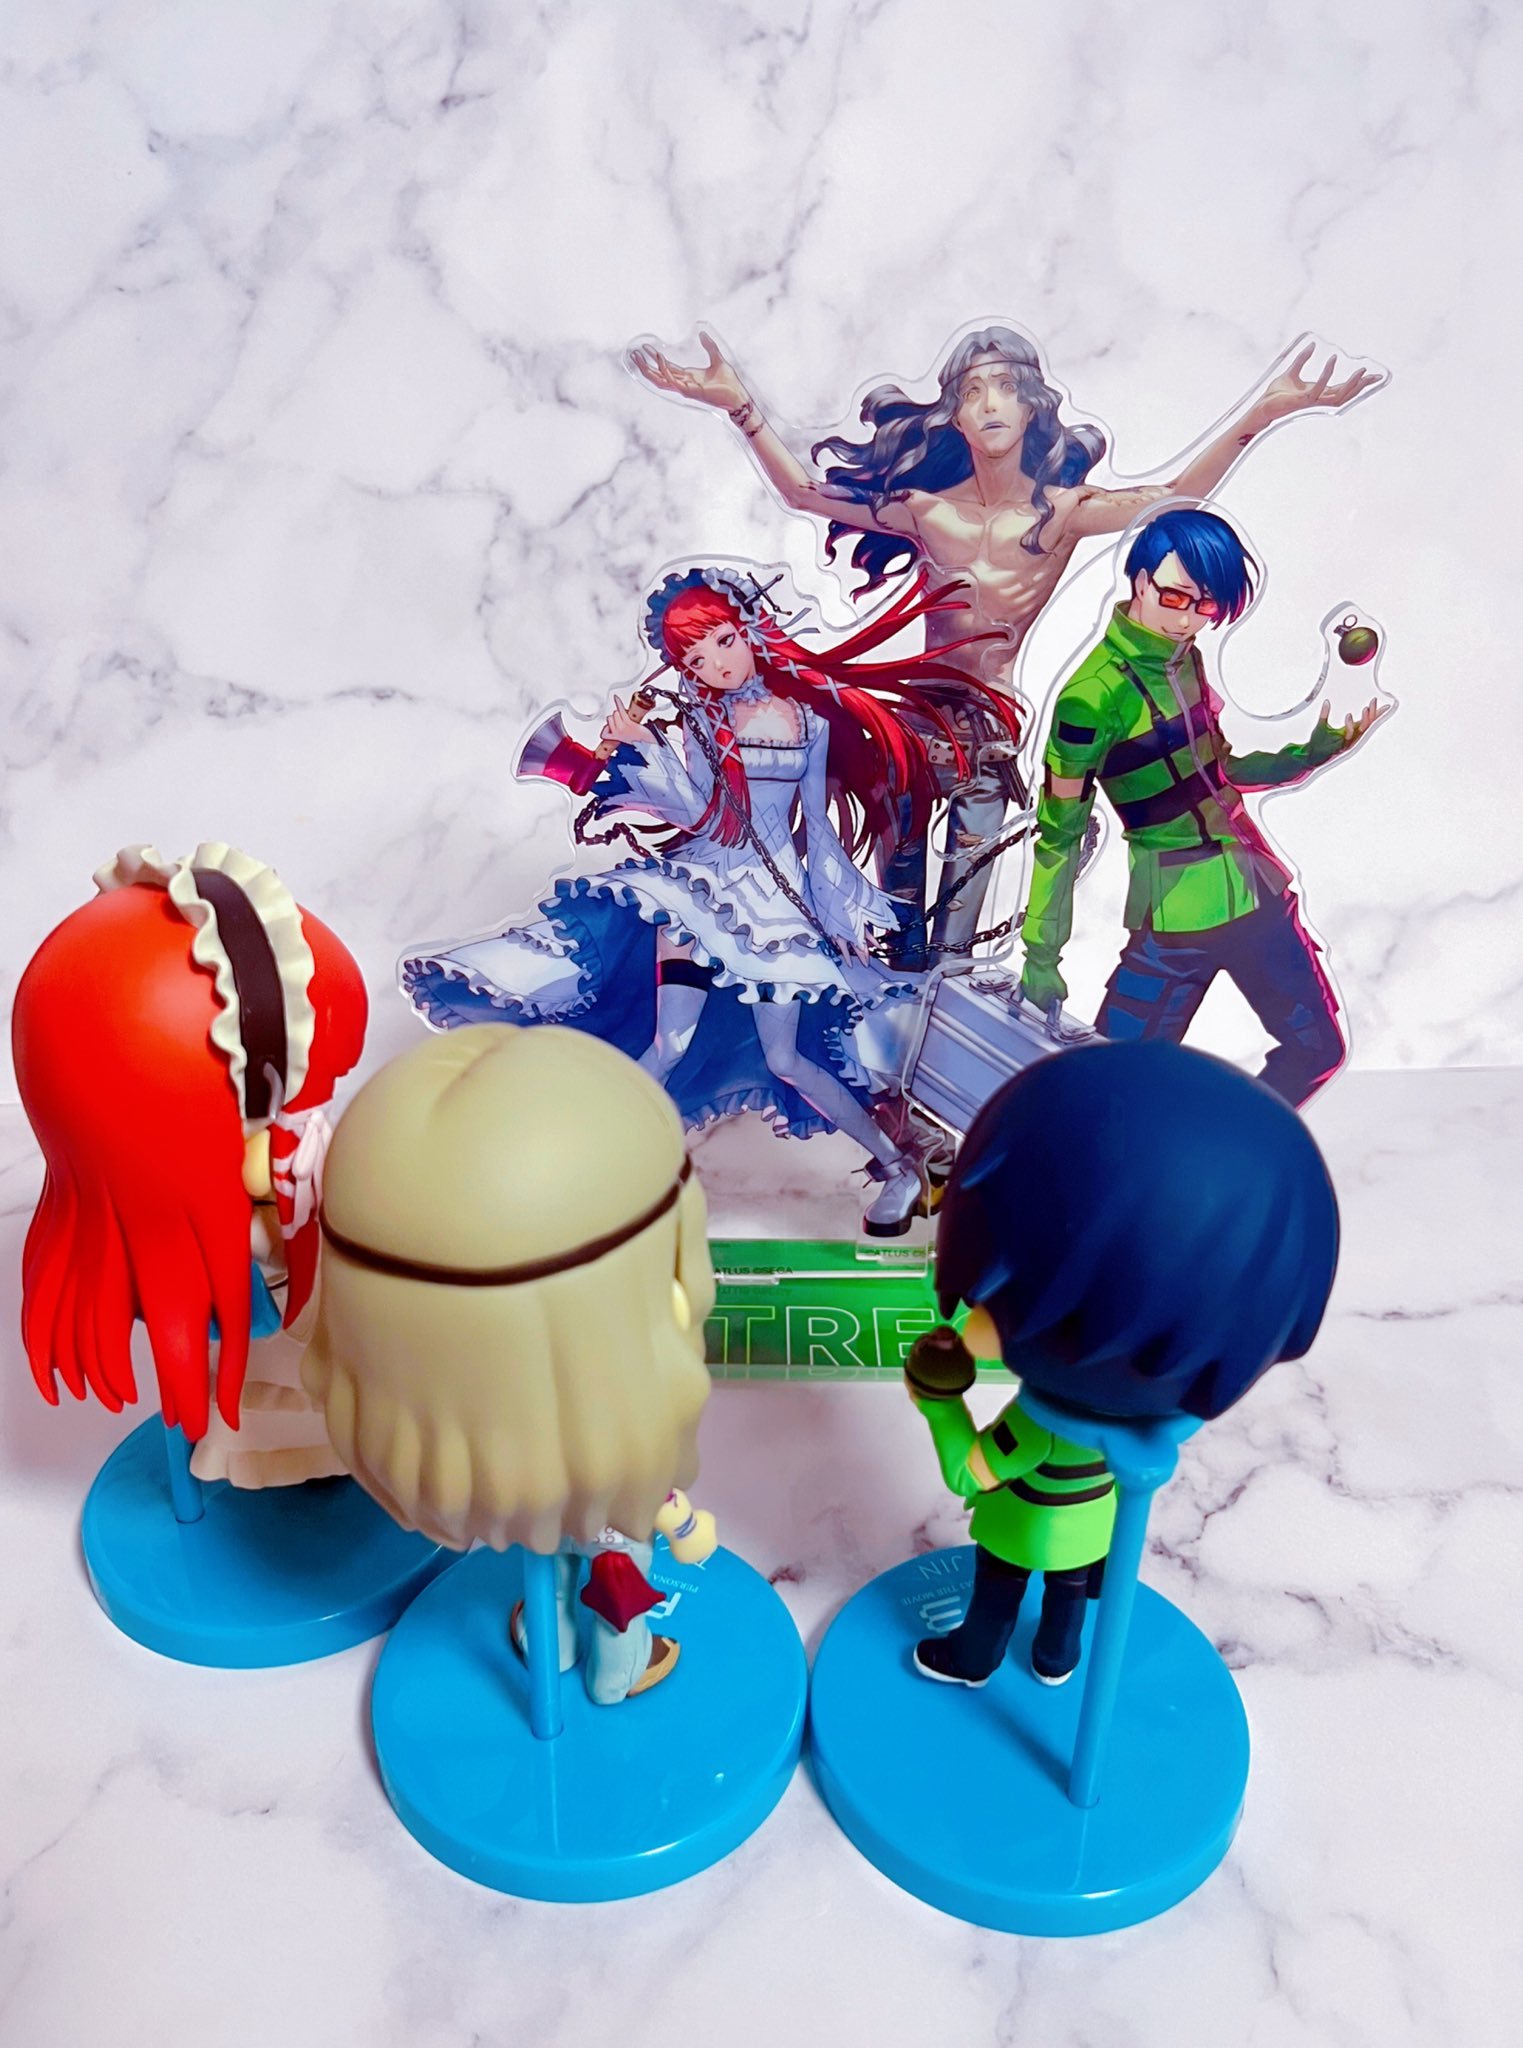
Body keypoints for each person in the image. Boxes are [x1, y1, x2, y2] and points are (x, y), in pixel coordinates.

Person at [632, 326, 1382, 962]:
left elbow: (1174, 496)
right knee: (896, 920)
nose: (989, 403)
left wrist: (1268, 409)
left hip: (987, 734)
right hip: (910, 725)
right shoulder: (924, 510)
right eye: (971, 392)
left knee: (958, 930)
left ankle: (946, 1000)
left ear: (1032, 408)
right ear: (954, 416)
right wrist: (739, 406)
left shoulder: (1062, 514)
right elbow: (801, 493)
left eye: (1005, 388)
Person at [402, 565, 1018, 1234]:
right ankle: (582, 1160)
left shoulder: (808, 723)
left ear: (749, 630)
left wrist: (838, 910)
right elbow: (703, 816)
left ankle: (897, 1167)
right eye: (695, 659)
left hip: (778, 911)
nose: (716, 665)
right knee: (669, 1042)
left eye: (721, 642)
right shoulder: (701, 721)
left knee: (787, 1059)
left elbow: (816, 829)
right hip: (700, 894)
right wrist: (644, 749)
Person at [302, 1024, 719, 1705]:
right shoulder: (630, 1433)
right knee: (615, 1582)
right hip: (613, 1511)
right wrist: (682, 1519)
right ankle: (615, 1669)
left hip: (537, 1496)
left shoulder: (461, 1441)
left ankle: (550, 1641)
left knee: (552, 1564)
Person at [905, 1038, 1340, 1688]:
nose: (972, 1309)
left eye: (993, 1297)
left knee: (998, 1591)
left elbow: (968, 1476)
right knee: (1067, 1598)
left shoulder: (1036, 1426)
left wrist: (940, 1404)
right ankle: (1056, 1661)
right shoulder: (1157, 1418)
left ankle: (974, 1659)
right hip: (1096, 1535)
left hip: (1026, 1532)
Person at [1017, 508, 1388, 1107]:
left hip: (1258, 895)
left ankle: (1226, 1151)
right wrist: (1041, 952)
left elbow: (1219, 771)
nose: (1188, 619)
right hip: (1174, 921)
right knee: (1109, 1093)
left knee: (1317, 1051)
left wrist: (1310, 753)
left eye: (1207, 605)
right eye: (1175, 597)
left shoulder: (1184, 658)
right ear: (1139, 580)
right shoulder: (1090, 700)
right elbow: (1059, 834)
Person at [15, 841, 367, 1470]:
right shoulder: (191, 1213)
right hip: (256, 1327)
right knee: (257, 1394)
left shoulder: (291, 1149)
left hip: (309, 1321)